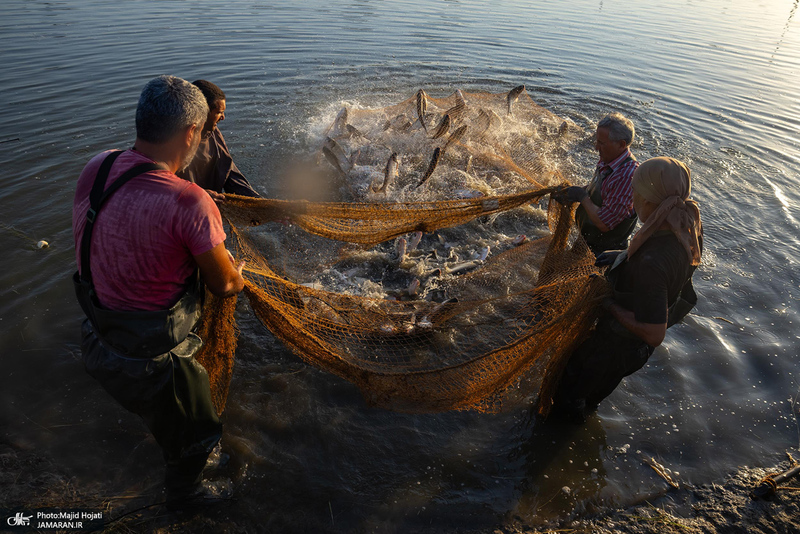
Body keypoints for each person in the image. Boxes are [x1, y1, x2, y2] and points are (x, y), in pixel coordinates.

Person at [72, 75, 245, 506]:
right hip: (154, 367)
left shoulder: (98, 166)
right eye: (203, 132)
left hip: (98, 343)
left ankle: (163, 439)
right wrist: (238, 270)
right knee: (198, 438)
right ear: (191, 133)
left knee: (165, 422)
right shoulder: (191, 202)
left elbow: (133, 217)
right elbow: (223, 285)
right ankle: (186, 498)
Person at [552, 157, 702, 423]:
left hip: (616, 348)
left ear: (651, 200)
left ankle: (558, 438)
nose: (631, 199)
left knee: (567, 399)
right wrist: (623, 255)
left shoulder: (651, 263)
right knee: (591, 397)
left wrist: (606, 303)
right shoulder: (686, 223)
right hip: (631, 352)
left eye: (636, 193)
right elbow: (667, 266)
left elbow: (654, 333)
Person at [557, 113, 639, 255]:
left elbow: (604, 223)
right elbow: (602, 191)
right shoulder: (608, 159)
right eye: (597, 141)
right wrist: (574, 192)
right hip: (588, 241)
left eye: (601, 143)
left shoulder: (627, 176)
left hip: (604, 252)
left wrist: (582, 196)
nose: (596, 148)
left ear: (621, 144)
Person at [177, 79, 260, 201]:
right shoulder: (174, 143)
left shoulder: (212, 133)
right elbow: (162, 185)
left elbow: (229, 173)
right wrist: (198, 195)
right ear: (202, 112)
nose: (223, 117)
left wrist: (260, 203)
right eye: (219, 112)